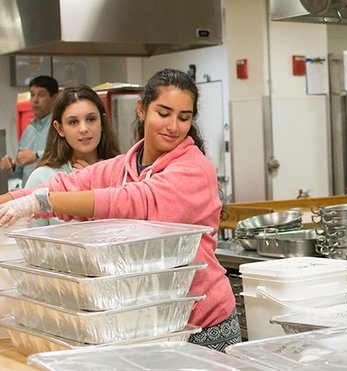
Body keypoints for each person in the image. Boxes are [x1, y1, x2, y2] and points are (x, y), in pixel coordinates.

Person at [0, 69, 240, 351]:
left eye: (184, 117)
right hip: (146, 323)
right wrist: (11, 200)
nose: (173, 126)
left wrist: (42, 202)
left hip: (202, 322)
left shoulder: (194, 169)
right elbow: (68, 185)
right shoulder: (122, 166)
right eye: (163, 113)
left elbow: (133, 201)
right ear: (142, 109)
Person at [25, 85, 121, 227]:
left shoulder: (122, 173)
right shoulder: (42, 178)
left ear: (102, 122)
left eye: (91, 119)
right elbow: (31, 242)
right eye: (73, 122)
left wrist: (96, 184)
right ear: (60, 128)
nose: (84, 129)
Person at [0, 75, 59, 187]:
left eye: (41, 95)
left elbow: (67, 157)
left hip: (52, 196)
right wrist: (12, 166)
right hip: (28, 196)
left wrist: (36, 156)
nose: (35, 100)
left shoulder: (59, 126)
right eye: (32, 95)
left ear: (54, 98)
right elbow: (21, 172)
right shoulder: (28, 130)